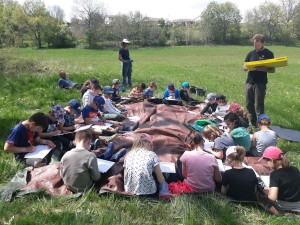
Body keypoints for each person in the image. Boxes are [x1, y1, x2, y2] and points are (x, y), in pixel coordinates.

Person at [243, 34, 275, 126]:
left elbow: (273, 70)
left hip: (260, 82)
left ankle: (262, 126)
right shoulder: (251, 54)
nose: (256, 46)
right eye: (254, 44)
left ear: (263, 43)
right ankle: (253, 124)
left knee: (259, 106)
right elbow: (244, 66)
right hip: (249, 82)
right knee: (249, 104)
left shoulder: (269, 54)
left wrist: (263, 69)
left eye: (258, 45)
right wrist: (247, 67)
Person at [262, 146, 300, 211]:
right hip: (298, 204)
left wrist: (267, 193)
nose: (266, 164)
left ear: (271, 160)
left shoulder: (275, 175)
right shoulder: (295, 169)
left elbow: (273, 198)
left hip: (284, 205)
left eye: (266, 161)